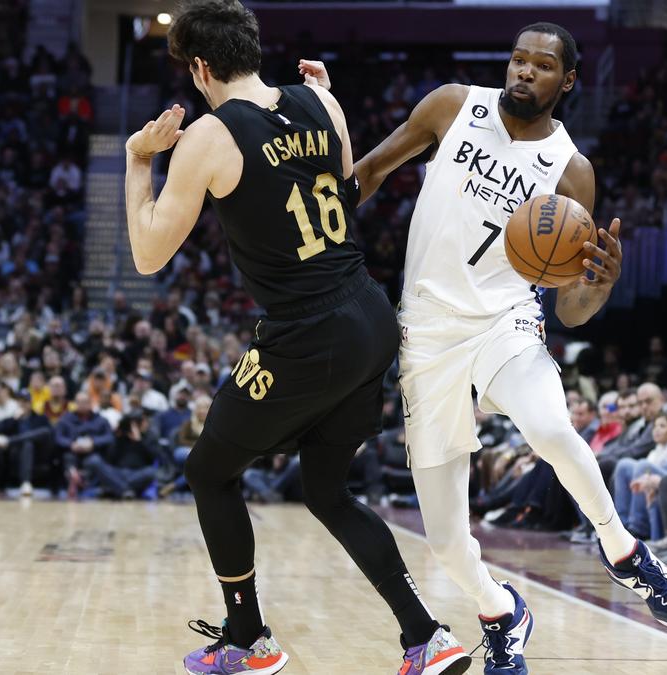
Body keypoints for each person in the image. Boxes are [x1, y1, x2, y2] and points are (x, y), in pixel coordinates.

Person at [300, 21, 667, 672]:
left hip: (505, 321)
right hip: (426, 331)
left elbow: (569, 309)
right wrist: (317, 229)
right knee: (445, 542)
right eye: (518, 59)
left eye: (542, 65)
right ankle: (500, 612)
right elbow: (368, 172)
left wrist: (598, 284)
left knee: (549, 426)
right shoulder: (452, 105)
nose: (524, 71)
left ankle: (625, 551)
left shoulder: (571, 170)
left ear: (567, 81)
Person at [125, 3, 469, 673]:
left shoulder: (210, 135)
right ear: (253, 50)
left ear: (200, 68)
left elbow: (147, 255)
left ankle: (248, 639)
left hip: (310, 331)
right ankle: (426, 635)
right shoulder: (322, 101)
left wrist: (140, 160)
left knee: (208, 471)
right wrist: (326, 107)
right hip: (369, 313)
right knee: (326, 490)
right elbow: (344, 189)